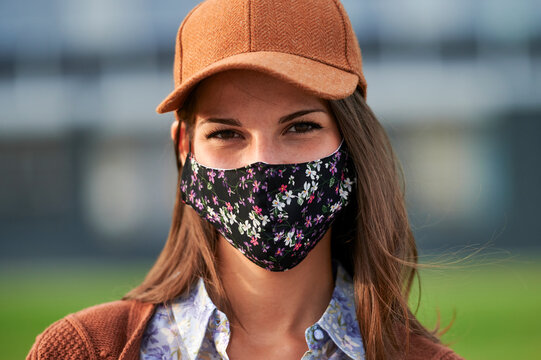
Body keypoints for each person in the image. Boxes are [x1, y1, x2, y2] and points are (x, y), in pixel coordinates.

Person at [27, 0, 465, 359]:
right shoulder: (80, 350)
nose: (262, 165)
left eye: (300, 127)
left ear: (351, 141)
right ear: (185, 148)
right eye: (226, 133)